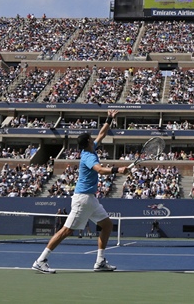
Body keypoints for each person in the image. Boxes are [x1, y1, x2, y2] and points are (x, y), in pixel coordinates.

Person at [32, 109, 128, 274]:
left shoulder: (91, 148)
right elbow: (99, 170)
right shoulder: (89, 157)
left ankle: (100, 261)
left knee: (107, 225)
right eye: (91, 138)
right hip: (82, 199)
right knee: (66, 230)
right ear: (89, 141)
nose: (94, 138)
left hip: (90, 199)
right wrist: (118, 170)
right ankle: (41, 260)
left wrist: (109, 118)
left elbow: (102, 134)